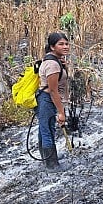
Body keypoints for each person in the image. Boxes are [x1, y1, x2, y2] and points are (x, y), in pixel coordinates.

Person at [36, 32, 69, 172]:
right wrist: (61, 112)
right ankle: (52, 165)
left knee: (45, 128)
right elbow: (53, 91)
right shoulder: (52, 65)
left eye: (66, 44)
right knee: (47, 130)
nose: (65, 46)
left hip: (45, 98)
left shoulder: (55, 60)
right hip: (47, 99)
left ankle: (47, 158)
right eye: (61, 44)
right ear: (52, 46)